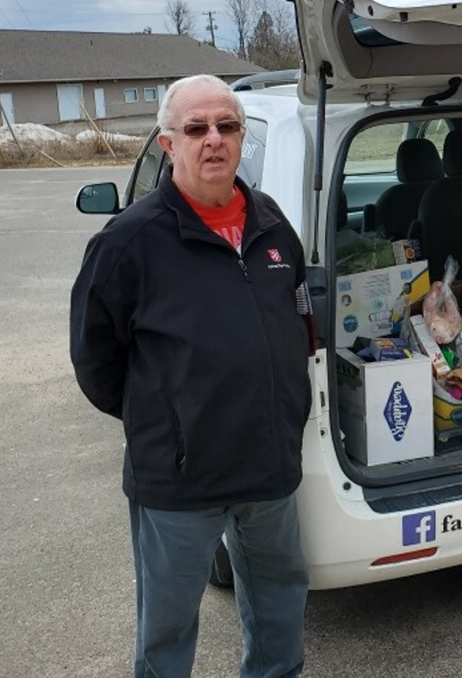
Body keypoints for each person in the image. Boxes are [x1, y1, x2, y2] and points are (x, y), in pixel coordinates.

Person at [70, 74, 313, 676]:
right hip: (181, 484)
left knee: (281, 616)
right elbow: (95, 361)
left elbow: (299, 316)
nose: (214, 140)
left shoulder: (272, 224)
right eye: (196, 128)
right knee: (167, 634)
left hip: (269, 472)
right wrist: (167, 421)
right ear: (167, 143)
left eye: (226, 126)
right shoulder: (128, 243)